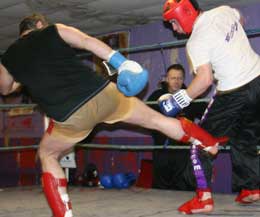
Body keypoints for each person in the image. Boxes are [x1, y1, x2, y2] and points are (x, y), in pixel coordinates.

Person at [0, 13, 226, 217]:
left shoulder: (9, 57)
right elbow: (88, 42)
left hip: (70, 116)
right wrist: (123, 64)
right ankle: (206, 141)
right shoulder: (53, 30)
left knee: (47, 154)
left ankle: (64, 215)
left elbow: (5, 89)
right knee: (157, 120)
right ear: (40, 24)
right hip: (103, 94)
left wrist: (22, 77)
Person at [161, 0, 260, 214]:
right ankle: (252, 188)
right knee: (245, 138)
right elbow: (240, 18)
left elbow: (205, 80)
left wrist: (180, 99)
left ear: (185, 12)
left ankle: (203, 198)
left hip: (235, 91)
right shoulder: (224, 10)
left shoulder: (196, 40)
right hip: (258, 81)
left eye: (174, 23)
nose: (174, 29)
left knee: (200, 142)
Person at [148, 64, 212, 191]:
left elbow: (208, 117)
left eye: (179, 78)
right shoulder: (156, 96)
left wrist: (199, 136)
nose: (176, 81)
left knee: (182, 187)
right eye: (173, 78)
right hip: (161, 150)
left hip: (183, 151)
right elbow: (146, 117)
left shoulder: (191, 97)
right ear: (166, 79)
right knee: (159, 188)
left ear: (183, 79)